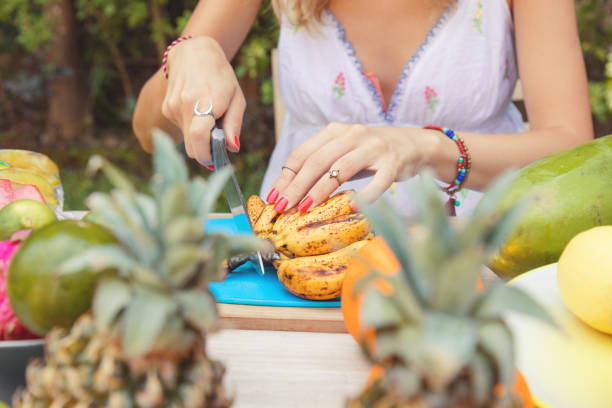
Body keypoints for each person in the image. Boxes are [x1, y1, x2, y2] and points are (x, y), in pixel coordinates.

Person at [132, 0, 592, 216]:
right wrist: (189, 56)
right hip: (301, 265)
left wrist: (427, 148)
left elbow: (572, 148)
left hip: (480, 260)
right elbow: (147, 130)